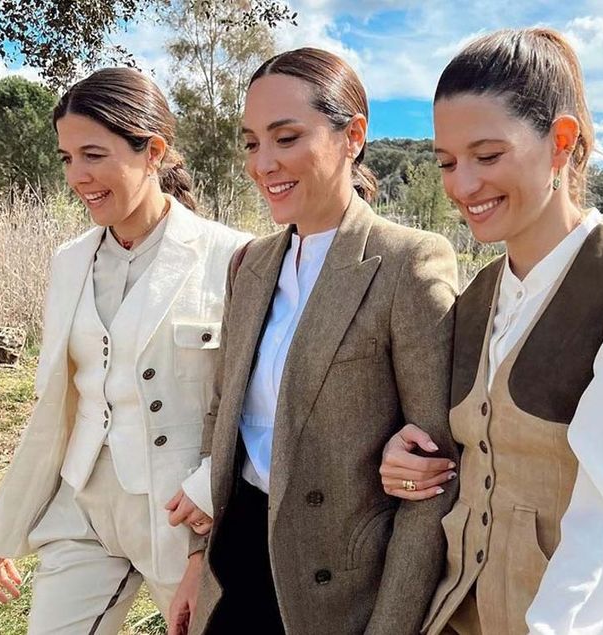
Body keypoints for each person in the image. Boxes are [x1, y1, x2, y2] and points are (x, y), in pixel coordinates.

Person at [379, 28, 603, 635]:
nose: (462, 186)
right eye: (448, 163)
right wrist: (405, 454)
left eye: (487, 156)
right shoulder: (479, 294)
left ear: (561, 143)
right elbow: (476, 448)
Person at [166, 47, 459, 635]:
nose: (264, 163)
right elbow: (223, 415)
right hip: (238, 562)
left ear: (352, 135)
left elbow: (433, 481)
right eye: (252, 143)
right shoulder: (250, 264)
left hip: (340, 588)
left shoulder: (408, 263)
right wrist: (198, 562)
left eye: (286, 137)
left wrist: (391, 626)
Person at [0, 67, 250, 635]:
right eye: (67, 158)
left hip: (182, 517)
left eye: (94, 155)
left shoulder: (236, 257)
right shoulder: (68, 261)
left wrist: (209, 494)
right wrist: (3, 527)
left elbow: (258, 397)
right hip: (82, 507)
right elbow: (54, 408)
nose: (78, 176)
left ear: (153, 151)